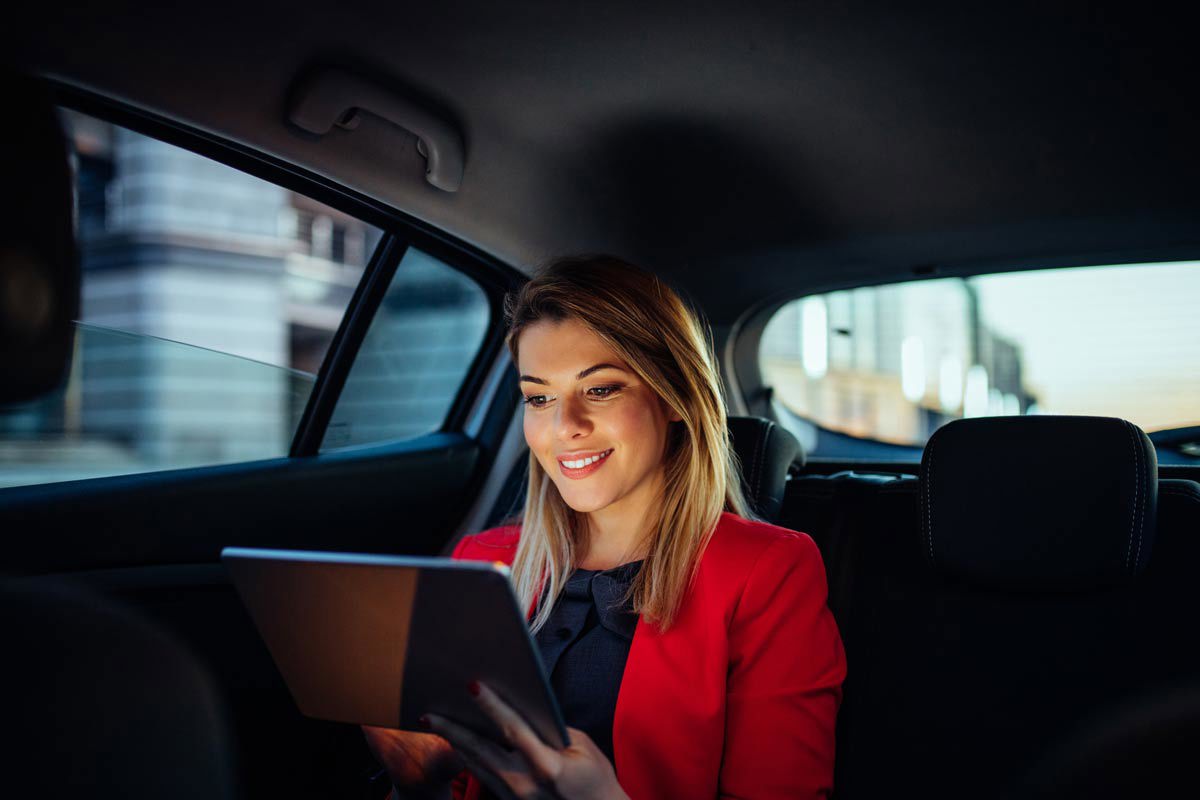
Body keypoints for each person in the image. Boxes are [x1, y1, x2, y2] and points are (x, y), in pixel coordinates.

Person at [364, 256, 845, 800]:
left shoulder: (766, 571)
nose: (564, 426)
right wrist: (417, 787)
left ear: (674, 398)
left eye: (600, 390)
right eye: (539, 397)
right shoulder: (481, 560)